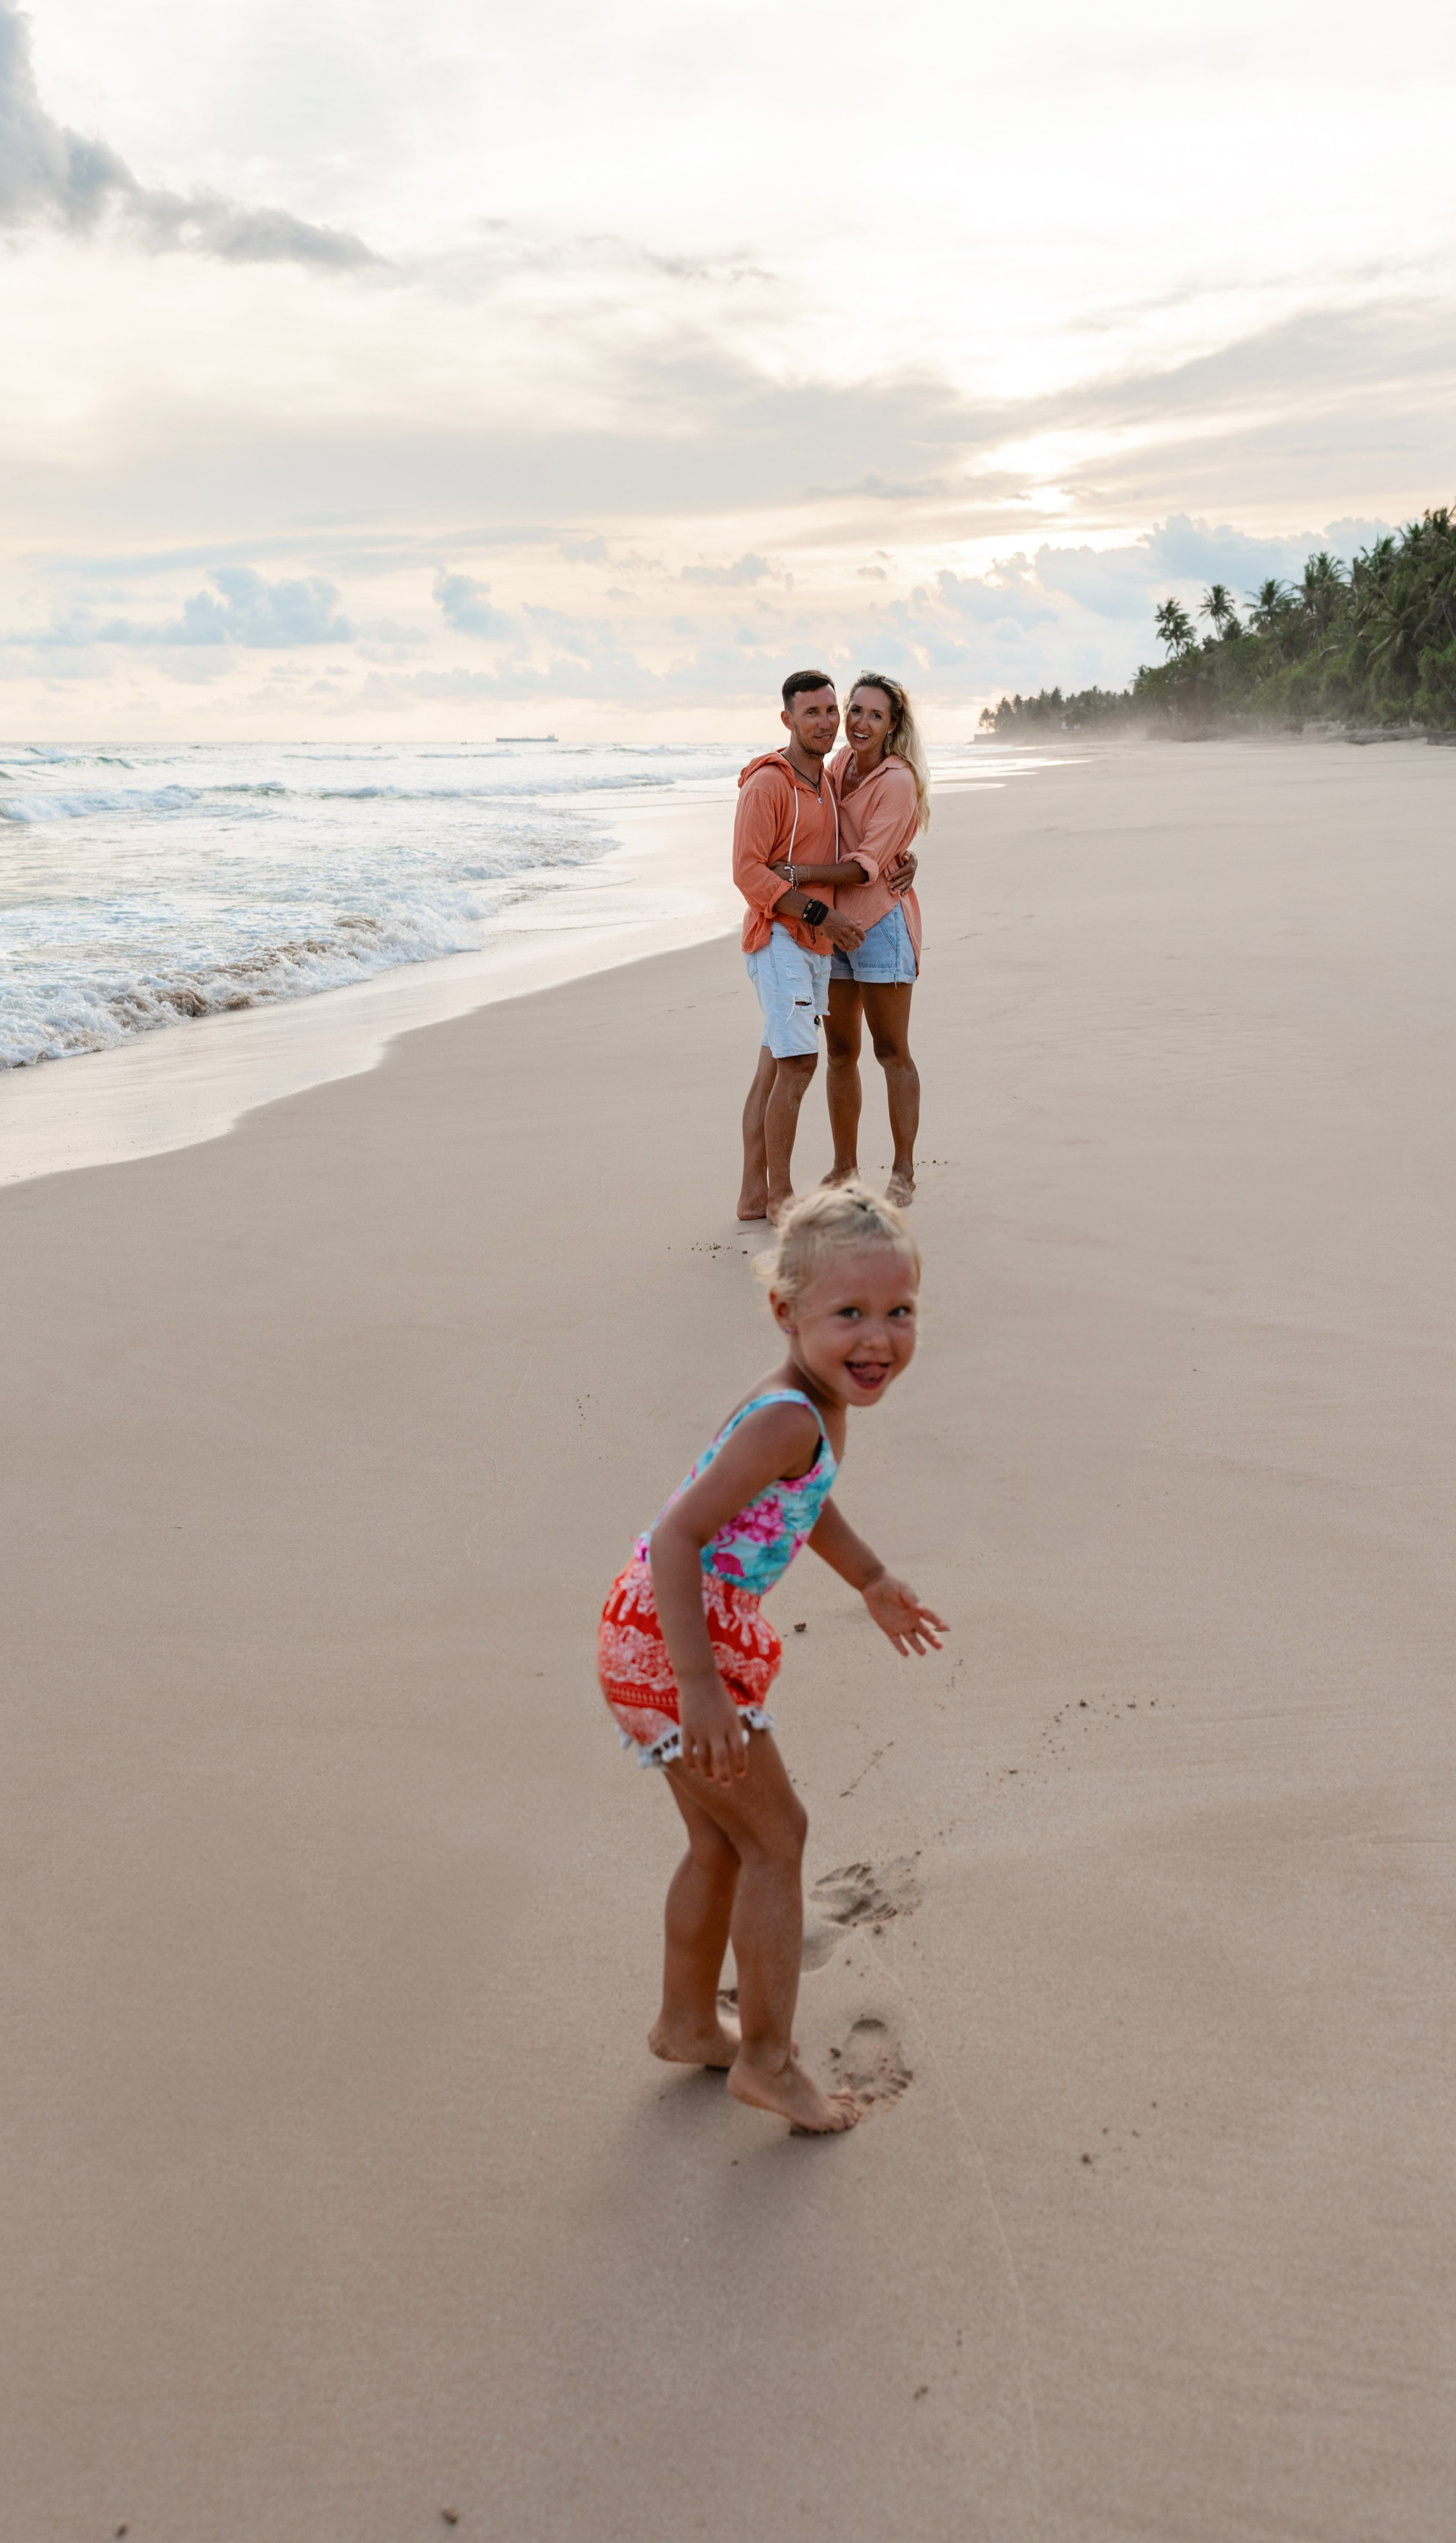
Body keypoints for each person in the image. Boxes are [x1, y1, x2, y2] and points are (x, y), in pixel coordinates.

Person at [595, 1182, 947, 2132]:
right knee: (777, 1838)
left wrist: (869, 1576)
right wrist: (702, 1689)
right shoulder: (786, 1416)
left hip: (655, 1632)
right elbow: (677, 1537)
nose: (877, 1339)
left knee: (721, 1839)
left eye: (898, 1312)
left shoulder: (815, 1409)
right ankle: (765, 2058)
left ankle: (685, 2023)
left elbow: (801, 1500)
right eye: (849, 1315)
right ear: (785, 1313)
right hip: (678, 1642)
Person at [732, 673, 916, 1224]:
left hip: (850, 931)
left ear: (890, 725)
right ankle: (785, 1191)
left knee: (856, 1054)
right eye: (826, 712)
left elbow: (865, 856)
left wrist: (901, 859)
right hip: (801, 934)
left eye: (838, 711)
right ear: (787, 718)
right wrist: (817, 908)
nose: (839, 722)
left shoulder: (855, 777)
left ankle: (898, 1169)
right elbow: (748, 870)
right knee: (808, 1060)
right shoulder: (793, 778)